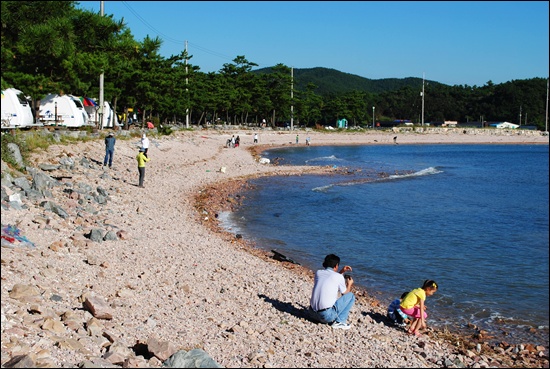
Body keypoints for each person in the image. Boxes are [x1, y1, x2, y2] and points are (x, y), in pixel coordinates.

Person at [310, 254, 355, 330]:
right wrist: (349, 284)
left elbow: (331, 278)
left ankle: (337, 321)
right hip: (325, 316)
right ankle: (339, 322)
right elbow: (345, 293)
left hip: (311, 313)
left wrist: (342, 271)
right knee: (351, 296)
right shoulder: (338, 276)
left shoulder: (318, 273)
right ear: (336, 265)